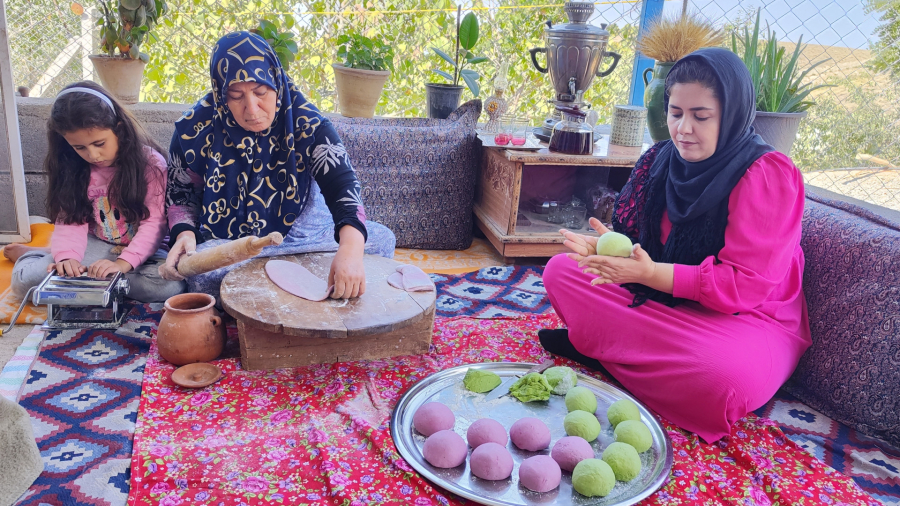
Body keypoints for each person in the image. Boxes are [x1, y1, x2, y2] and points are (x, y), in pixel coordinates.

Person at [538, 48, 811, 443]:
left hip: (743, 321)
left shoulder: (767, 174)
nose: (683, 128)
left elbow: (746, 286)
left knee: (723, 380)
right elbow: (640, 245)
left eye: (701, 116)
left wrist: (649, 274)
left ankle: (606, 351)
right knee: (562, 271)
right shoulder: (661, 158)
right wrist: (608, 252)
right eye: (676, 112)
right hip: (666, 302)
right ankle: (626, 358)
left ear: (732, 114)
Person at [159, 31, 395, 299]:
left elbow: (343, 186)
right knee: (202, 275)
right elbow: (180, 196)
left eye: (261, 91)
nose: (252, 108)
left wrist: (350, 253)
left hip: (308, 240)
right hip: (235, 245)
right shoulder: (195, 129)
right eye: (236, 96)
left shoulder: (309, 123)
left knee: (382, 241)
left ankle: (269, 286)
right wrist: (184, 234)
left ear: (276, 81)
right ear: (221, 93)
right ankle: (302, 285)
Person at [9, 81, 186, 302]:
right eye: (80, 147)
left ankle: (72, 270)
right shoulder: (72, 168)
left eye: (99, 143)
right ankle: (39, 257)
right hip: (96, 246)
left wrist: (121, 265)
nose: (93, 155)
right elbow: (71, 221)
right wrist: (66, 258)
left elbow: (154, 225)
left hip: (144, 252)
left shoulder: (150, 164)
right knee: (25, 283)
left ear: (119, 129)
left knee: (170, 287)